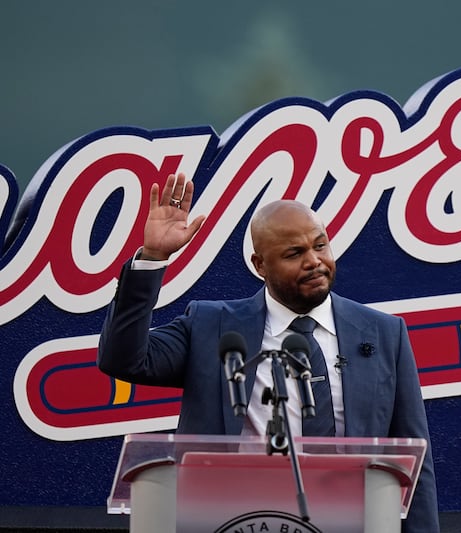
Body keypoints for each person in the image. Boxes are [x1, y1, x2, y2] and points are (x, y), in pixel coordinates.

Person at [97, 173, 440, 532]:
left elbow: (415, 455)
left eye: (320, 245)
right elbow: (124, 359)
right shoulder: (210, 325)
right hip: (233, 521)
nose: (314, 261)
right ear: (260, 265)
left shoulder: (384, 333)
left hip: (354, 521)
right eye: (294, 253)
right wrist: (152, 258)